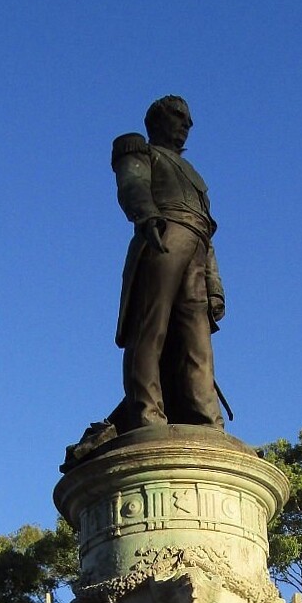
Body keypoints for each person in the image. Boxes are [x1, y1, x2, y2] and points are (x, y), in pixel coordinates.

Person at [110, 95, 226, 430]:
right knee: (151, 327)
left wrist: (215, 286)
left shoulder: (195, 177)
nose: (186, 125)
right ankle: (147, 414)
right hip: (164, 235)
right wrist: (146, 217)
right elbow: (132, 184)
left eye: (188, 120)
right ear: (156, 120)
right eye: (178, 116)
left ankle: (207, 419)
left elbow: (208, 233)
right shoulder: (139, 149)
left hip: (197, 247)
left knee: (197, 339)